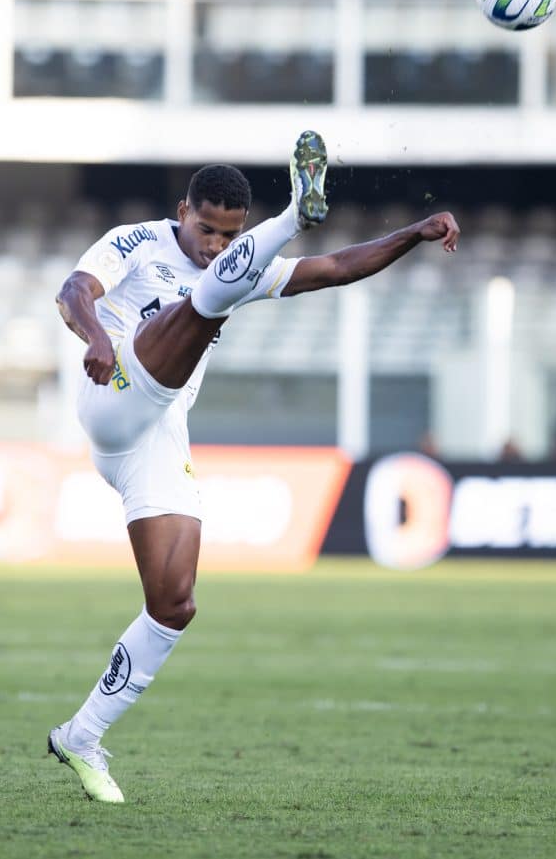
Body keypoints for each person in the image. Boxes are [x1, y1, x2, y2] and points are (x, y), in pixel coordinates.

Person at [47, 130, 460, 802]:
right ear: (183, 210)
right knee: (204, 304)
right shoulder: (137, 242)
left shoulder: (237, 265)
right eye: (205, 229)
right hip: (113, 390)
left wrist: (413, 232)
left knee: (174, 604)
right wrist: (95, 335)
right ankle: (295, 212)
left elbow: (338, 267)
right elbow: (73, 290)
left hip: (160, 435)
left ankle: (82, 734)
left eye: (228, 235)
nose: (214, 245)